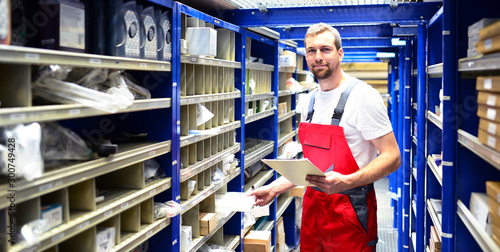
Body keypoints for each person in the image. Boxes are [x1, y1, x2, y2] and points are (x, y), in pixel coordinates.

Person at [248, 23, 401, 251]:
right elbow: (313, 168)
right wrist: (274, 189)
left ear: (340, 53)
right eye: (311, 51)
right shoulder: (309, 101)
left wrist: (347, 181)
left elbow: (393, 156)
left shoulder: (364, 97)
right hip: (313, 209)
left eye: (325, 49)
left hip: (350, 211)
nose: (318, 57)